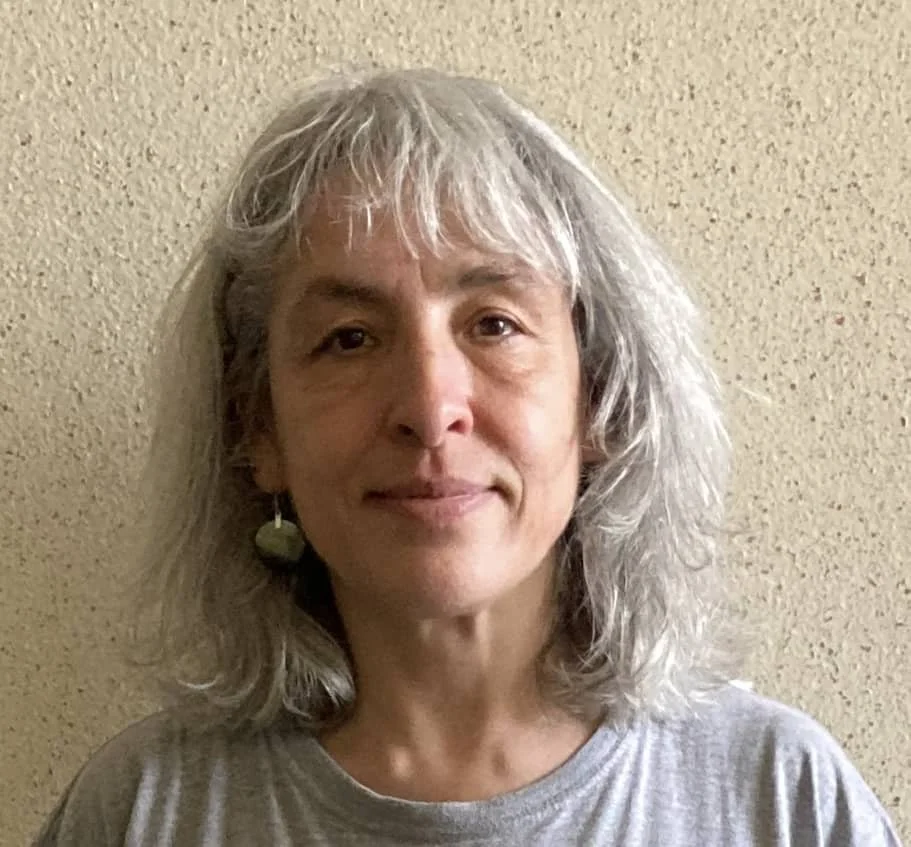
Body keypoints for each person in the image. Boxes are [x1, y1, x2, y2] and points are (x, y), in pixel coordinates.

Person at [35, 68, 902, 846]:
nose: (426, 406)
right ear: (258, 430)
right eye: (347, 339)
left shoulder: (779, 801)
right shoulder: (144, 811)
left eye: (494, 323)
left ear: (597, 396)